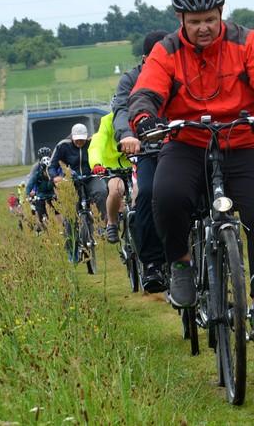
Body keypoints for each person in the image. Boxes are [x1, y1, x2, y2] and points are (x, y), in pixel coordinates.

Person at [128, 0, 254, 340]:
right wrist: (145, 118)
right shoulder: (167, 51)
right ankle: (181, 265)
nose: (203, 28)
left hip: (242, 140)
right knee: (166, 196)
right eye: (195, 21)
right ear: (180, 19)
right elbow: (145, 92)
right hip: (187, 142)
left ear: (221, 13)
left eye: (209, 19)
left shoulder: (245, 41)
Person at [111, 30, 169, 293]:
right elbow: (122, 109)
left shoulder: (183, 70)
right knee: (146, 193)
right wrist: (127, 134)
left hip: (183, 144)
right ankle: (154, 263)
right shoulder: (131, 80)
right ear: (146, 58)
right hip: (148, 148)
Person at [88, 99, 134, 244]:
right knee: (116, 189)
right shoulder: (107, 122)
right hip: (113, 169)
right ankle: (112, 223)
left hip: (135, 165)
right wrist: (97, 164)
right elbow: (97, 145)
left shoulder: (137, 117)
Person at [48, 123, 108, 223]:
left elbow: (102, 157)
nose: (79, 142)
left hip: (91, 176)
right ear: (72, 137)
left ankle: (102, 224)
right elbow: (51, 166)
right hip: (70, 179)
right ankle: (71, 228)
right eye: (77, 139)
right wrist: (54, 177)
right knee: (69, 203)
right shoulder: (63, 145)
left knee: (101, 192)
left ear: (86, 137)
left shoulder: (92, 143)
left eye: (82, 139)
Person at [26, 153, 60, 226]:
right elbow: (30, 184)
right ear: (42, 168)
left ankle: (61, 228)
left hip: (52, 196)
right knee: (41, 217)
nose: (47, 171)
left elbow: (58, 184)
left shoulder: (53, 175)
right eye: (45, 169)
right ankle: (45, 227)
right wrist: (28, 193)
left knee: (58, 214)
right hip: (41, 197)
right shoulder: (37, 175)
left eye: (48, 169)